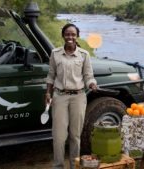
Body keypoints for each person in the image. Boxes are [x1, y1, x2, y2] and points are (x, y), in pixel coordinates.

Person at [45, 23, 97, 169]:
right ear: (63, 35)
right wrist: (48, 92)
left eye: (73, 34)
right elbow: (50, 76)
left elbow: (88, 76)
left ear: (77, 36)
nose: (70, 37)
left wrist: (92, 84)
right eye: (67, 34)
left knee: (75, 135)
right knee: (59, 137)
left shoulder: (84, 55)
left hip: (79, 97)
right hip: (60, 97)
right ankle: (58, 166)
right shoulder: (55, 54)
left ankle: (75, 166)